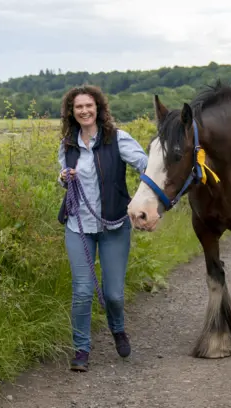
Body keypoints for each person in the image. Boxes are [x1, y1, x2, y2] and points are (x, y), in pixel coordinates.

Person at [56, 85, 148, 372]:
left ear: (98, 108)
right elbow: (64, 177)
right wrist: (64, 177)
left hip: (115, 224)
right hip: (78, 225)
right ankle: (81, 349)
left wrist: (145, 197)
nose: (84, 111)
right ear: (71, 112)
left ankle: (118, 328)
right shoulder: (67, 144)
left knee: (114, 295)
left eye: (89, 105)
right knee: (82, 290)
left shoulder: (118, 139)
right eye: (78, 107)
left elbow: (146, 165)